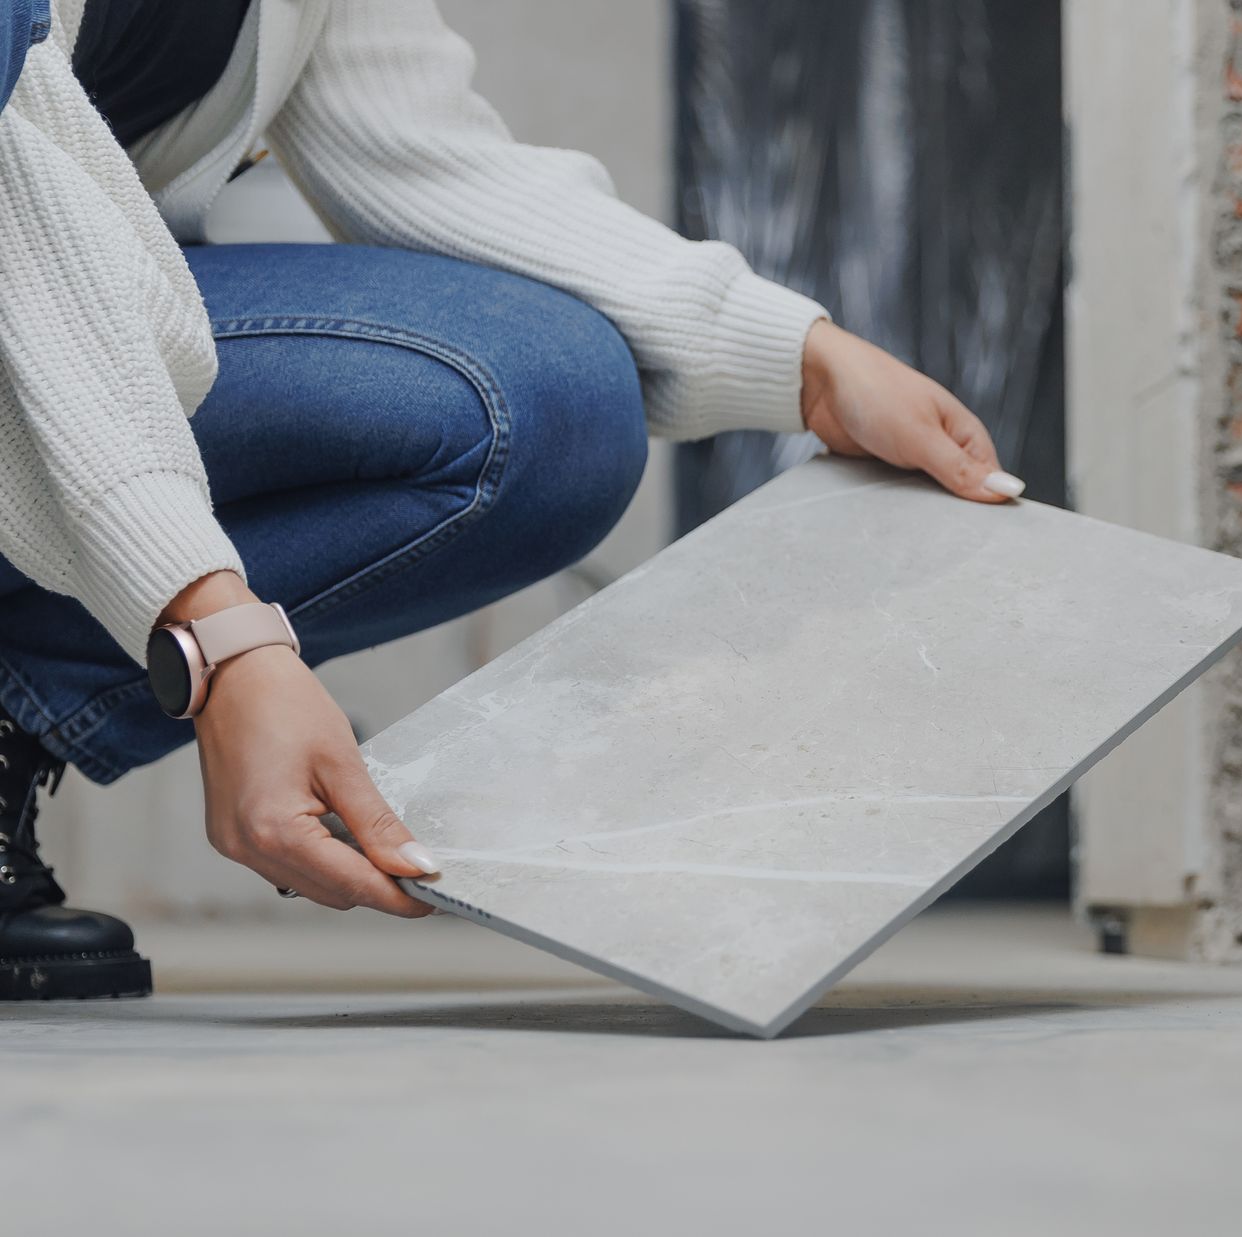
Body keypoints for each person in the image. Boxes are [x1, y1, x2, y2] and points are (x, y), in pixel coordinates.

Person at [0, 0, 1025, 1000]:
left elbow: (413, 147)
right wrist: (212, 632)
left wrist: (803, 361)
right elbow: (26, 238)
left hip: (84, 310)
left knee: (548, 403)